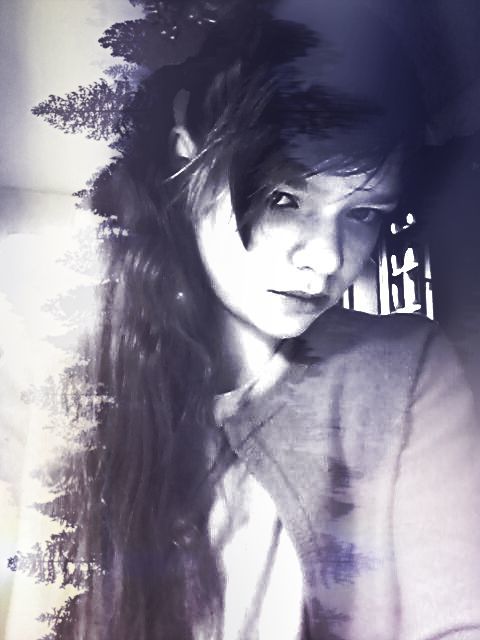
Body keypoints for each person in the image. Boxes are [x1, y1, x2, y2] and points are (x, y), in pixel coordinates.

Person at [51, 1, 480, 639]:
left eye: (363, 213)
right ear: (189, 162)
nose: (328, 258)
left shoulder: (406, 371)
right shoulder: (75, 391)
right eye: (283, 197)